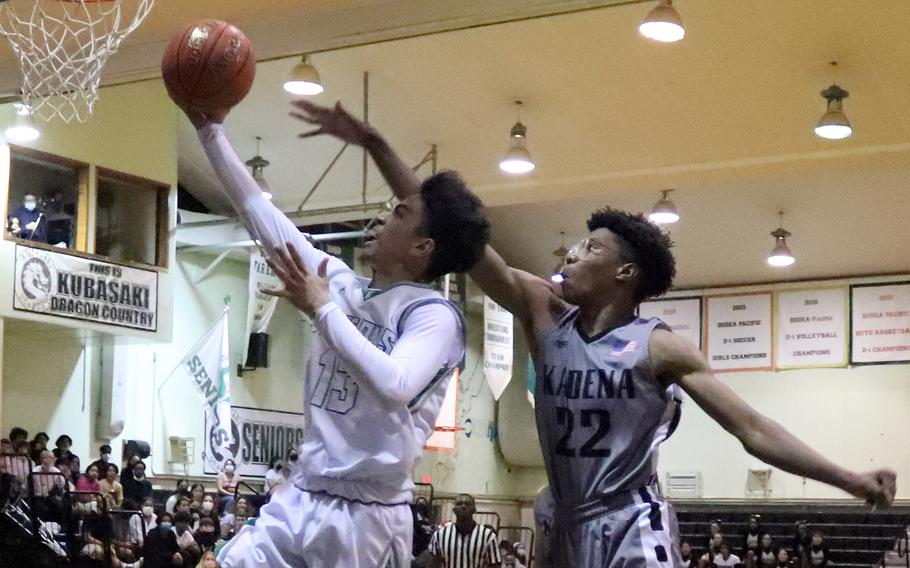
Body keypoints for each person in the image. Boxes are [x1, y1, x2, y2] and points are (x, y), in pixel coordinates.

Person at [421, 192, 895, 564]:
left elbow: (751, 429)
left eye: (591, 248)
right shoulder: (543, 314)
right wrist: (414, 180)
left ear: (624, 271)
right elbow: (472, 251)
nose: (572, 253)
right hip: (563, 519)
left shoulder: (660, 346)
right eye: (577, 245)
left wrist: (848, 479)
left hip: (628, 519)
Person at [183, 95, 487, 568]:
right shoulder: (339, 282)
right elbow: (260, 214)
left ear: (423, 247)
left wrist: (323, 309)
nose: (383, 218)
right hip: (302, 492)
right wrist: (210, 132)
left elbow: (396, 384)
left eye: (400, 215)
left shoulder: (434, 315)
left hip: (367, 516)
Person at [426, 494, 501, 568]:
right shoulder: (440, 535)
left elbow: (495, 565)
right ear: (454, 510)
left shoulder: (488, 536)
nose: (463, 506)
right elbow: (431, 564)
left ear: (474, 510)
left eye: (467, 504)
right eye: (459, 504)